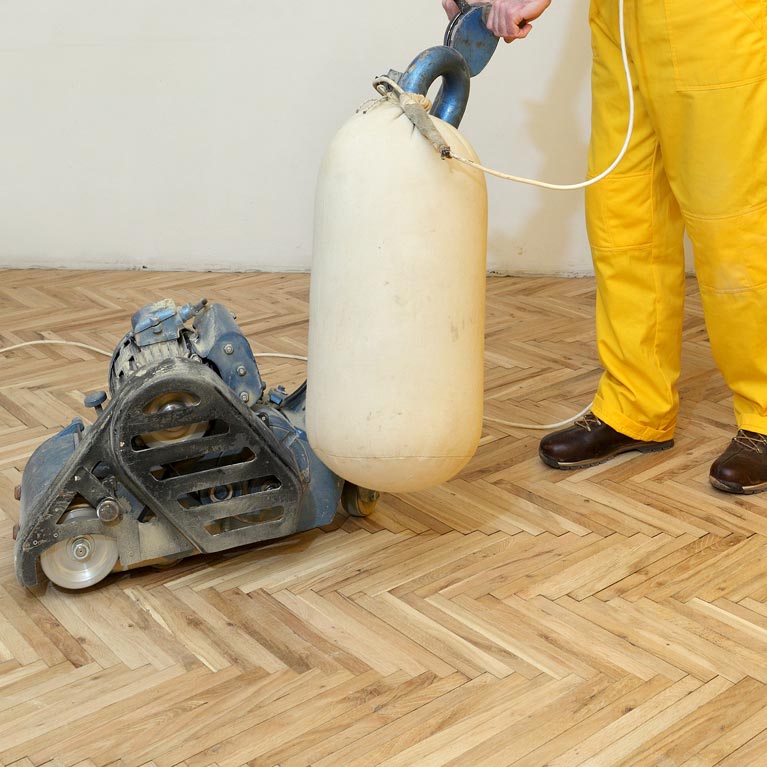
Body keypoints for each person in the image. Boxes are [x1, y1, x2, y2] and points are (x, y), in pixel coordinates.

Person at [442, 0, 767, 494]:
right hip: (622, 20)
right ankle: (636, 405)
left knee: (734, 227)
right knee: (625, 217)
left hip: (714, 20)